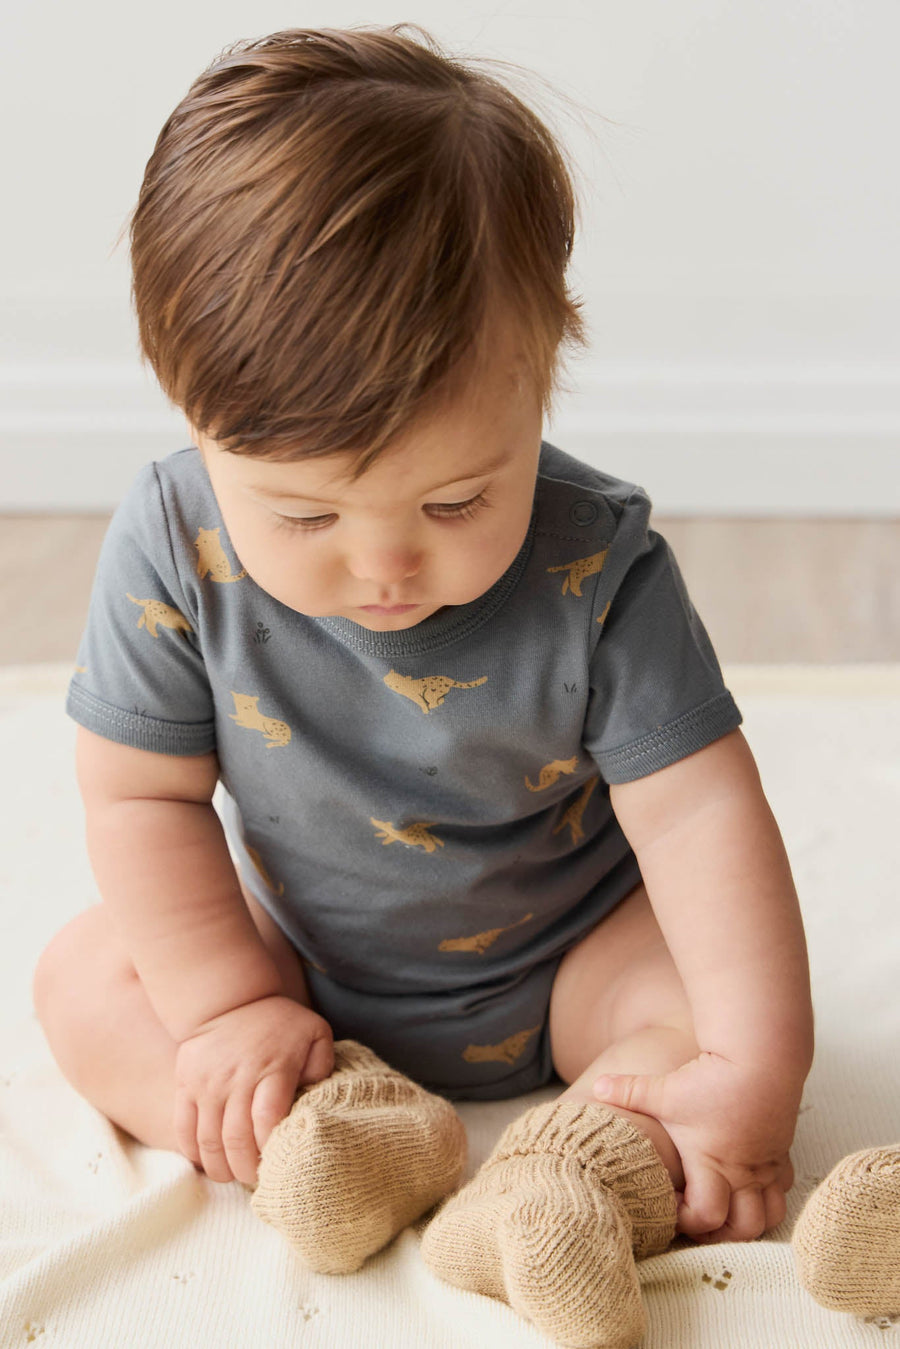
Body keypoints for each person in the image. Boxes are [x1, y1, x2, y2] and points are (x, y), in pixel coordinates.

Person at [32, 25, 817, 1349]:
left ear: (543, 378)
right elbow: (140, 797)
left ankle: (570, 1164)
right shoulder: (172, 544)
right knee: (82, 981)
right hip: (299, 965)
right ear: (191, 422)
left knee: (698, 1007)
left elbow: (699, 821)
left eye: (458, 498)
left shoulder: (597, 571)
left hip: (575, 960)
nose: (387, 563)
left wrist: (753, 1066)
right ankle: (321, 1127)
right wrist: (230, 1004)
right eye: (305, 515)